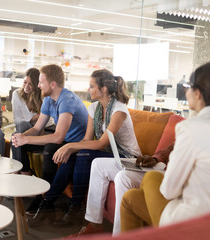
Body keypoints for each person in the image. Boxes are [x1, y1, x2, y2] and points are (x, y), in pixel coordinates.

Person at [120, 62, 210, 232]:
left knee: (149, 180)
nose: (185, 91)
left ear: (198, 93)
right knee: (133, 196)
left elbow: (169, 191)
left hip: (195, 222)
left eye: (187, 86)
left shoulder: (191, 128)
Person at [29, 69, 141, 227]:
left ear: (103, 90)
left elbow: (102, 142)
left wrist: (69, 146)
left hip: (126, 157)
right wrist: (70, 150)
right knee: (75, 154)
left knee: (82, 153)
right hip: (109, 154)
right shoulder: (94, 108)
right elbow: (87, 139)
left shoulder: (119, 111)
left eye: (91, 86)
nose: (88, 89)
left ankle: (75, 207)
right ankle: (48, 202)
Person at [11, 64, 88, 210]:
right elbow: (37, 128)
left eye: (41, 82)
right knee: (16, 139)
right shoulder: (47, 99)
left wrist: (26, 139)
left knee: (50, 148)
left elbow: (58, 137)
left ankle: (43, 196)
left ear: (52, 84)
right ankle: (25, 179)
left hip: (75, 143)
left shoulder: (67, 100)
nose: (38, 85)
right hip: (63, 139)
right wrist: (20, 137)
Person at [11, 68, 54, 175]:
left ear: (37, 84)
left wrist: (35, 118)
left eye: (30, 84)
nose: (26, 86)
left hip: (46, 130)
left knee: (16, 137)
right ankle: (25, 170)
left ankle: (23, 171)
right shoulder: (17, 94)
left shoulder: (44, 96)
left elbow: (45, 121)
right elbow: (18, 120)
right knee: (20, 129)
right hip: (26, 129)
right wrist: (38, 116)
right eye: (25, 82)